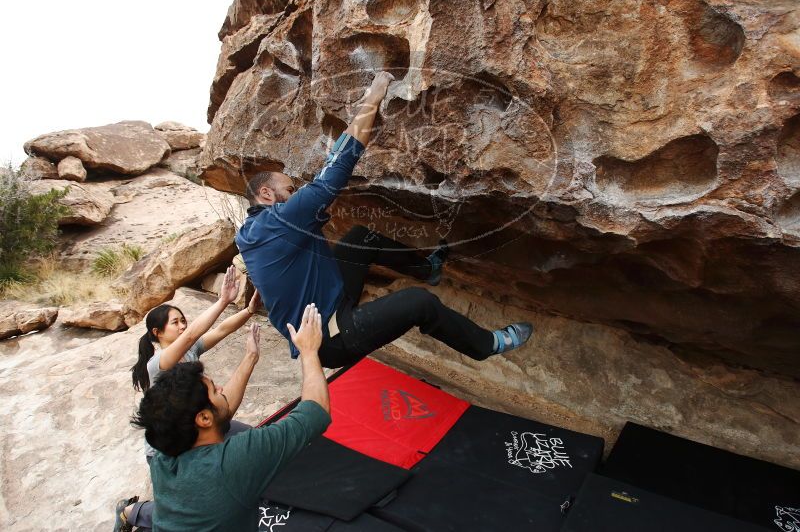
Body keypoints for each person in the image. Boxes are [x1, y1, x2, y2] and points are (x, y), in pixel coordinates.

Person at [235, 71, 533, 368]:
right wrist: (374, 97)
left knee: (359, 238)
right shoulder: (280, 221)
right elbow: (335, 168)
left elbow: (270, 265)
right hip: (329, 339)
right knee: (419, 303)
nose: (295, 192)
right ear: (267, 194)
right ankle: (487, 344)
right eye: (289, 189)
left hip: (325, 300)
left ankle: (427, 269)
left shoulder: (251, 232)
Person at [129, 304, 330, 531]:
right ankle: (133, 511)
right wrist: (309, 351)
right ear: (204, 419)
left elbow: (222, 411)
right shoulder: (236, 459)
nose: (222, 389)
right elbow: (315, 412)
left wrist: (250, 357)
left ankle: (131, 512)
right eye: (215, 391)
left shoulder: (163, 459)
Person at [115, 265, 260, 530]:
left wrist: (249, 311)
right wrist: (223, 300)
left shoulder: (190, 350)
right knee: (189, 503)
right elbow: (194, 333)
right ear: (156, 334)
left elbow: (222, 329)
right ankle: (131, 511)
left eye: (184, 320)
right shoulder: (158, 363)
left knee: (249, 440)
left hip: (199, 429)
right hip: (171, 446)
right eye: (176, 322)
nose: (183, 326)